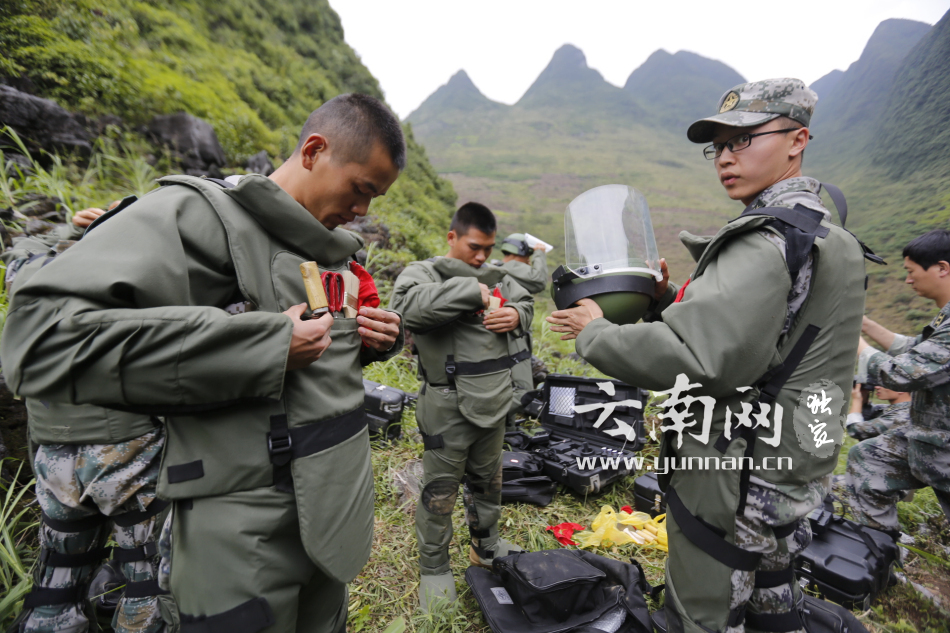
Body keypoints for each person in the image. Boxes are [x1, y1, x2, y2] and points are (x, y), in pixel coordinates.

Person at [1, 93, 406, 633]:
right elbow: (40, 338)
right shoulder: (193, 217)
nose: (363, 211)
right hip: (235, 535)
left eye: (374, 197)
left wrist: (372, 340)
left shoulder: (330, 251)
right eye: (361, 189)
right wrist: (262, 346)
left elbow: (314, 361)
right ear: (313, 151)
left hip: (325, 523)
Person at [548, 79, 871, 633]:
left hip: (738, 467)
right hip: (794, 461)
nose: (724, 157)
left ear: (797, 140)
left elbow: (697, 357)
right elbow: (775, 338)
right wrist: (670, 301)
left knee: (702, 612)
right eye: (718, 146)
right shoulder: (822, 230)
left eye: (743, 140)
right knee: (770, 596)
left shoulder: (765, 237)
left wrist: (594, 333)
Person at [3, 198, 174, 633]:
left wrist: (71, 228)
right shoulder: (133, 272)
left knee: (57, 582)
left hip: (55, 454)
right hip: (128, 451)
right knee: (146, 582)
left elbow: (25, 246)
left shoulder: (36, 271)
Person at [390, 203, 533, 613]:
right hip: (447, 404)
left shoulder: (497, 275)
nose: (482, 257)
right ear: (452, 237)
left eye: (489, 248)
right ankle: (434, 567)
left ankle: (486, 547)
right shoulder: (424, 273)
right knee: (440, 491)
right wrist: (472, 291)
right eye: (474, 247)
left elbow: (526, 302)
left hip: (494, 399)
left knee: (489, 482)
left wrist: (514, 314)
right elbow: (407, 308)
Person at [846, 229, 950, 531]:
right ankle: (878, 551)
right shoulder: (944, 319)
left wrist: (855, 341)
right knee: (869, 458)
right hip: (931, 442)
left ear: (942, 268)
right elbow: (913, 348)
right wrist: (862, 323)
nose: (907, 280)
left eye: (911, 271)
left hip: (942, 447)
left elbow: (900, 373)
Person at [495, 233, 548, 427]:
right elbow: (538, 280)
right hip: (514, 343)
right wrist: (540, 254)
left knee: (507, 388)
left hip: (504, 342)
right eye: (528, 255)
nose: (529, 260)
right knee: (521, 391)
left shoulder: (501, 271)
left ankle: (504, 432)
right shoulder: (511, 266)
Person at [846, 382, 911, 441]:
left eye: (883, 384)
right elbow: (867, 418)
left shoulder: (902, 415)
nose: (876, 387)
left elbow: (855, 431)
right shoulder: (892, 409)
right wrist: (863, 397)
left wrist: (857, 400)